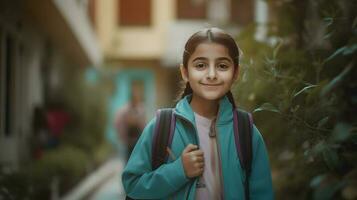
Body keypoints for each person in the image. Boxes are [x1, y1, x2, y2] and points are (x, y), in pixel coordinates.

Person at [122, 27, 274, 200]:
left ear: (235, 73)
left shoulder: (247, 133)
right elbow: (132, 185)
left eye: (222, 66)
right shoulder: (161, 126)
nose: (211, 74)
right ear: (185, 72)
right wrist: (179, 170)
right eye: (201, 65)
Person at [115, 82, 146, 161]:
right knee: (128, 161)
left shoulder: (141, 109)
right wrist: (122, 136)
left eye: (138, 95)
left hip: (138, 141)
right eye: (135, 95)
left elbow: (143, 124)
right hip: (128, 141)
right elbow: (118, 123)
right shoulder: (125, 110)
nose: (137, 97)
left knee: (137, 161)